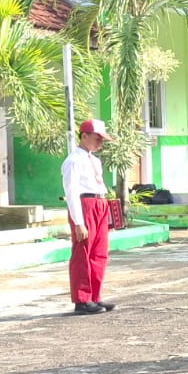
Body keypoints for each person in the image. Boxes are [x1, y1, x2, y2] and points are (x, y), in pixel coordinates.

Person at [63, 119, 117, 314]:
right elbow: (71, 192)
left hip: (99, 204)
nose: (99, 143)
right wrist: (78, 222)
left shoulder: (95, 160)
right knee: (83, 252)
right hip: (85, 205)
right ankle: (82, 299)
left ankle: (95, 296)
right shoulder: (73, 161)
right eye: (97, 139)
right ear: (84, 136)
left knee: (99, 252)